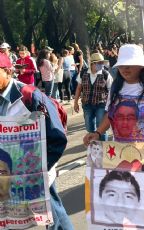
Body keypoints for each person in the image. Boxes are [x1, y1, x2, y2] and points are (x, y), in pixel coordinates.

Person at [83, 44, 144, 229]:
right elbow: (110, 115)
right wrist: (97, 133)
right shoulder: (116, 87)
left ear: (141, 66)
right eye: (122, 65)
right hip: (121, 156)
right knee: (130, 200)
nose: (125, 69)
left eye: (130, 65)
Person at [0, 53, 74, 229]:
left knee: (51, 212)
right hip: (6, 172)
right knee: (8, 216)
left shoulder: (30, 96)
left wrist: (40, 168)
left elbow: (56, 136)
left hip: (35, 170)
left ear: (8, 71)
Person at [74, 53, 113, 141]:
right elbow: (79, 88)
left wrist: (110, 105)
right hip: (87, 105)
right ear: (93, 63)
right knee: (89, 128)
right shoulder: (83, 73)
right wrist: (75, 102)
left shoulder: (106, 74)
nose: (102, 65)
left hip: (101, 105)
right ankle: (93, 148)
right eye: (99, 63)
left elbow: (111, 91)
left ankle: (103, 148)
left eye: (102, 63)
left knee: (101, 129)